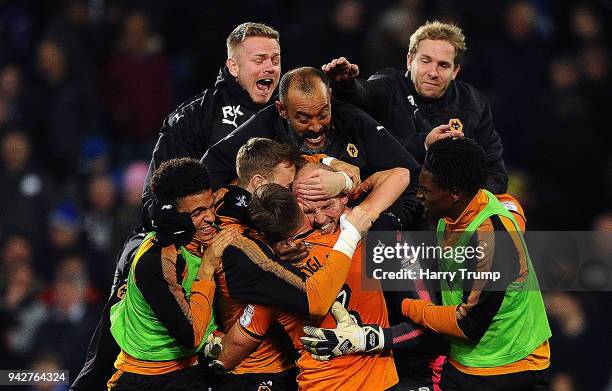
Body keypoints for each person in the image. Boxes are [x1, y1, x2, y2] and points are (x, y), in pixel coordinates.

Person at [70, 22, 281, 390]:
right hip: (180, 246)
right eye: (259, 59)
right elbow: (154, 203)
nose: (270, 68)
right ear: (233, 66)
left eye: (276, 60)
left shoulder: (288, 117)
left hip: (247, 248)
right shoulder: (194, 118)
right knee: (105, 357)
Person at [304, 138, 551, 391]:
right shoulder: (463, 206)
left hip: (509, 367)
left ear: (454, 193)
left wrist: (412, 308)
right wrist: (349, 182)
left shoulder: (490, 241)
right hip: (468, 361)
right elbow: (511, 205)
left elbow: (469, 324)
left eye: (426, 191)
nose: (418, 195)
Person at [214, 161, 411, 390]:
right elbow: (400, 174)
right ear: (296, 206)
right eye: (309, 210)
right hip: (381, 381)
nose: (319, 218)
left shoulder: (274, 277)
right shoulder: (359, 233)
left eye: (326, 205)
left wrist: (217, 340)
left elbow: (231, 351)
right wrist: (345, 181)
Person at [204, 66, 421, 230]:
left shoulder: (352, 120)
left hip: (361, 231)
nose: (316, 127)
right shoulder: (261, 129)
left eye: (323, 114)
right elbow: (209, 173)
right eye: (304, 118)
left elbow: (411, 176)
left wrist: (384, 222)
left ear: (330, 99)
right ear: (282, 110)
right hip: (295, 242)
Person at [322, 21, 508, 194]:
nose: (433, 73)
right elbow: (363, 94)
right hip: (396, 200)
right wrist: (345, 85)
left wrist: (467, 201)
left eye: (443, 65)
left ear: (455, 71)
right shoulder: (389, 85)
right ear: (410, 61)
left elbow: (495, 172)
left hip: (455, 207)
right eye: (425, 61)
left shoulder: (473, 102)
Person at [107, 158, 239, 390]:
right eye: (197, 212)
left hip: (190, 369)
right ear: (172, 215)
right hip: (145, 378)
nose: (210, 217)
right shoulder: (155, 260)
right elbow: (191, 336)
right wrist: (207, 269)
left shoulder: (206, 238)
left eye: (210, 207)